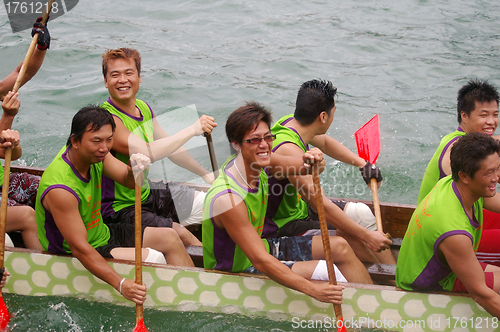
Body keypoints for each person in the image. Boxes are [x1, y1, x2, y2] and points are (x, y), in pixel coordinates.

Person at [203, 101, 373, 305]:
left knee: (341, 247)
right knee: (323, 271)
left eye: (268, 137)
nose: (264, 145)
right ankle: (371, 309)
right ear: (236, 144)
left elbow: (303, 167)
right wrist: (315, 291)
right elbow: (260, 260)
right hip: (236, 270)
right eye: (254, 140)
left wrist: (313, 159)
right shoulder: (228, 199)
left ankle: (375, 303)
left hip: (263, 247)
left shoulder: (259, 161)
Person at [36, 106, 194, 305]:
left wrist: (136, 169)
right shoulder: (61, 190)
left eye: (109, 139)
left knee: (170, 236)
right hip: (75, 251)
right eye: (96, 141)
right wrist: (120, 284)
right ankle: (176, 304)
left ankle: (194, 294)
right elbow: (79, 248)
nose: (104, 147)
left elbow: (129, 181)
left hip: (101, 232)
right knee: (154, 258)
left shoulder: (96, 154)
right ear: (75, 141)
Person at [265, 79, 394, 264]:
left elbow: (324, 142)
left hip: (300, 208)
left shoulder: (289, 123)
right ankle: (386, 280)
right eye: (333, 113)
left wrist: (362, 164)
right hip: (285, 225)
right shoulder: (289, 149)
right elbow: (321, 205)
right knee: (350, 236)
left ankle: (390, 270)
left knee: (362, 213)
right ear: (323, 117)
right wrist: (366, 236)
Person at [99, 48, 217, 246]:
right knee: (181, 234)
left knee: (214, 203)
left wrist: (205, 174)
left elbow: (172, 149)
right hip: (120, 208)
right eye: (114, 75)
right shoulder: (107, 119)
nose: (122, 80)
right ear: (105, 82)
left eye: (129, 73)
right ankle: (218, 270)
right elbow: (147, 151)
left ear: (139, 77)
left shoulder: (143, 107)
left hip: (147, 191)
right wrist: (192, 129)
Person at [397, 132, 500, 318]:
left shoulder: (452, 183)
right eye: (489, 173)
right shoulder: (454, 233)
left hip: (440, 267)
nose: (496, 178)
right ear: (465, 176)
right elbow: (481, 294)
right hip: (430, 284)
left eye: (497, 169)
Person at [417, 79, 500, 264]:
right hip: (442, 235)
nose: (491, 121)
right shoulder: (458, 149)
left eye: (495, 114)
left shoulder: (470, 142)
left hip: (463, 218)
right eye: (484, 115)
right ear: (464, 115)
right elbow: (488, 197)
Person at [0, 18, 50, 249]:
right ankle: (43, 277)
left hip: (4, 182)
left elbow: (22, 72)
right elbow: (3, 149)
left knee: (50, 188)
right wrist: (8, 116)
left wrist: (40, 46)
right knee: (27, 215)